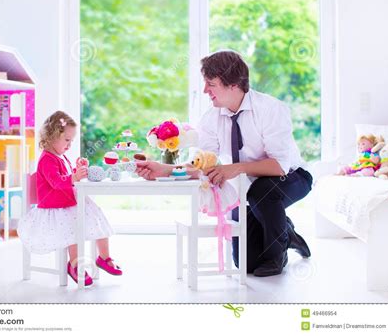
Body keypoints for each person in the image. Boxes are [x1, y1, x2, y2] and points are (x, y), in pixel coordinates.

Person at [137, 50, 313, 277]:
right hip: (248, 190)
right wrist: (165, 169)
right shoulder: (212, 118)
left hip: (291, 177)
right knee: (246, 264)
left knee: (263, 192)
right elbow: (201, 164)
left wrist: (235, 169)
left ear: (233, 84)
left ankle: (276, 257)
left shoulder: (270, 109)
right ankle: (286, 232)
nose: (205, 91)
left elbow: (279, 166)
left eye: (211, 84)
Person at [18, 111, 122, 286]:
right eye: (67, 140)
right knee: (73, 230)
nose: (69, 145)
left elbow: (66, 175)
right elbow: (57, 182)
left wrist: (77, 168)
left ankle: (104, 258)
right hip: (54, 208)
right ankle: (75, 264)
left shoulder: (61, 156)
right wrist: (74, 177)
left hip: (68, 202)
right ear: (51, 137)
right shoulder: (46, 159)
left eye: (71, 141)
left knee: (97, 217)